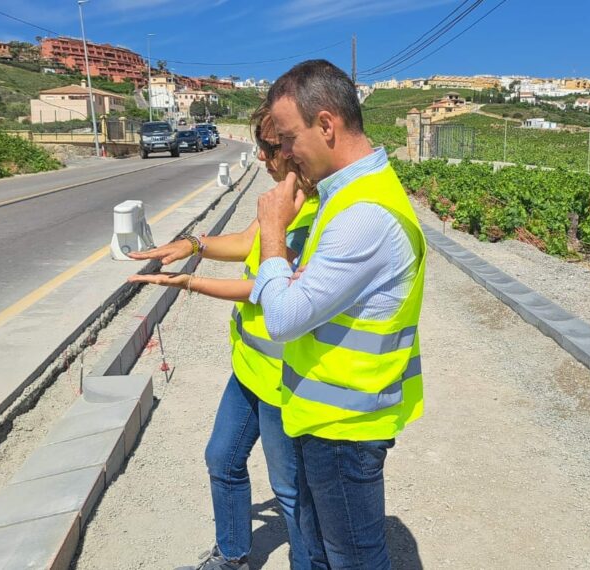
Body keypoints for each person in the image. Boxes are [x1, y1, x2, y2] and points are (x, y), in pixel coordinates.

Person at [127, 103, 320, 570]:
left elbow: (264, 289)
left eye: (267, 149)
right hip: (249, 369)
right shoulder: (280, 201)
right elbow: (248, 242)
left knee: (291, 491)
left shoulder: (318, 213)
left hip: (284, 380)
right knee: (222, 460)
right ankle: (232, 555)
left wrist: (189, 281)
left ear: (290, 151)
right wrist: (193, 245)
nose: (260, 159)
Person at [251, 59, 427, 569]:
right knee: (327, 551)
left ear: (326, 125)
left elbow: (283, 317)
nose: (282, 154)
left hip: (344, 428)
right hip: (326, 416)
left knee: (352, 558)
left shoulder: (362, 216)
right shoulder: (346, 195)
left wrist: (272, 233)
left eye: (286, 138)